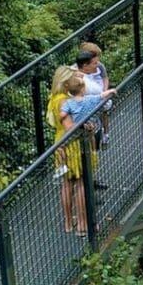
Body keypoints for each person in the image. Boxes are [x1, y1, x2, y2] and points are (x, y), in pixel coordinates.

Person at [60, 76, 116, 236]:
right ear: (83, 89)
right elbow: (102, 96)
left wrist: (64, 116)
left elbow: (62, 115)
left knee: (64, 147)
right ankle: (85, 225)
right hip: (87, 133)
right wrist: (111, 91)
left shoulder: (68, 103)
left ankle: (62, 158)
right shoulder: (90, 100)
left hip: (72, 135)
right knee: (83, 180)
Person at [47, 66, 85, 235]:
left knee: (66, 182)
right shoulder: (65, 100)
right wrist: (85, 124)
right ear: (66, 82)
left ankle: (69, 222)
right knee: (80, 182)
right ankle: (83, 223)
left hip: (59, 140)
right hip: (72, 143)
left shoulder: (54, 98)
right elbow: (70, 126)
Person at [76, 43, 112, 147]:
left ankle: (106, 133)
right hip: (88, 94)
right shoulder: (78, 69)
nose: (97, 62)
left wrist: (104, 90)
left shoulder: (99, 66)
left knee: (104, 110)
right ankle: (95, 134)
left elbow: (105, 77)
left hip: (99, 90)